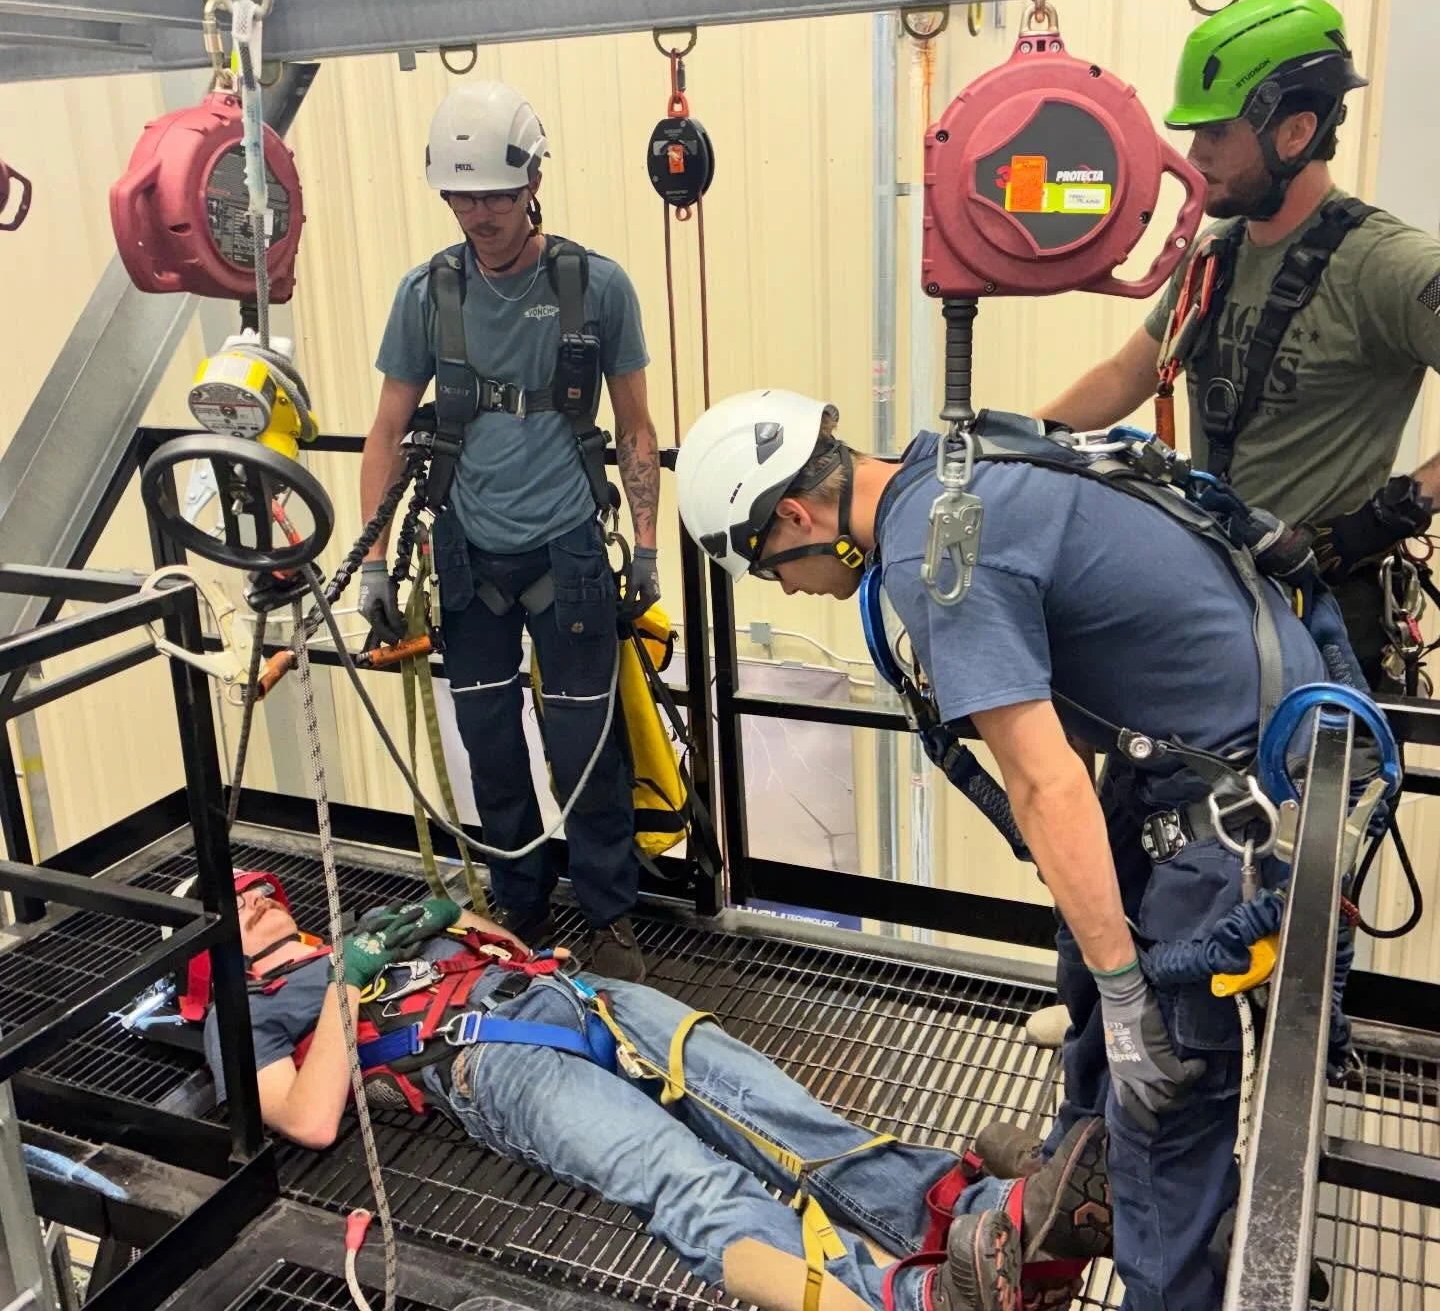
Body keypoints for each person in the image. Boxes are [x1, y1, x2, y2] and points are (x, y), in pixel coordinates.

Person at [673, 387, 1375, 1311]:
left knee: (1162, 1087)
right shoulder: (957, 464)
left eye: (772, 568)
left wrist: (1133, 1004)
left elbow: (1047, 784)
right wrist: (1106, 973)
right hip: (1220, 733)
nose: (786, 588)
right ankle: (1081, 1167)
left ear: (799, 517)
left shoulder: (936, 557)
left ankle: (1162, 1253)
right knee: (1088, 954)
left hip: (1239, 802)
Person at [201, 871, 1114, 1311]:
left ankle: (987, 1218)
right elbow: (309, 1117)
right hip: (490, 1059)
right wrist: (345, 987)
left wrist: (447, 920)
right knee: (686, 1181)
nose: (251, 898)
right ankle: (897, 1302)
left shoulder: (356, 932)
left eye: (253, 888)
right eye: (229, 901)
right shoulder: (248, 1014)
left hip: (579, 997)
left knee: (781, 1116)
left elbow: (501, 947)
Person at [1037, 0, 1440, 691]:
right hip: (1215, 613)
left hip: (1322, 631)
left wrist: (1398, 508)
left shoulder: (1386, 265)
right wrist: (1010, 442)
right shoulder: (1214, 257)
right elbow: (1128, 373)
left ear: (1294, 131)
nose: (1194, 156)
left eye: (1216, 133)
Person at [357, 81, 663, 980]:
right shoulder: (427, 296)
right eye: (461, 195)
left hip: (566, 547)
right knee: (488, 739)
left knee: (585, 747)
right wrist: (375, 564)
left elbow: (636, 426)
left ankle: (610, 915)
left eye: (493, 192)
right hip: (464, 549)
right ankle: (519, 905)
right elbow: (385, 429)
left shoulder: (595, 287)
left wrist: (645, 548)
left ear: (532, 182)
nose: (478, 213)